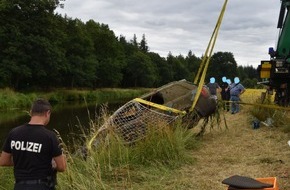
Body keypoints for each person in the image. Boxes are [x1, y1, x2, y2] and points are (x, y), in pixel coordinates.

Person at [0, 98, 66, 190]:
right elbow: (62, 167)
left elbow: (3, 161)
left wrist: (24, 160)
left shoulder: (14, 133)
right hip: (42, 186)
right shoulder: (50, 136)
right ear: (48, 113)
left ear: (31, 112)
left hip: (19, 186)